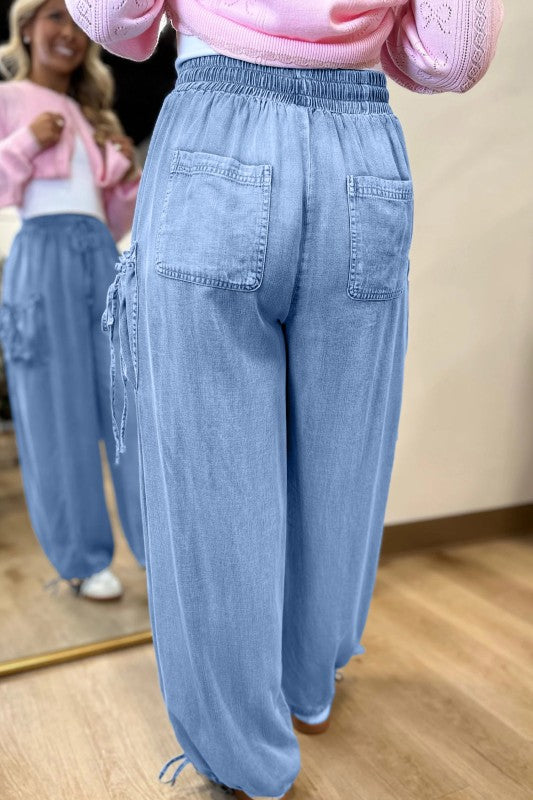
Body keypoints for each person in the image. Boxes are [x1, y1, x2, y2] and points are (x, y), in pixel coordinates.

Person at [66, 0, 505, 796]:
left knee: (210, 478)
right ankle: (308, 684)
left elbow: (110, 18)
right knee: (342, 458)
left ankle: (242, 755)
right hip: (360, 152)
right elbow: (454, 55)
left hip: (214, 132)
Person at [0, 0, 145, 600]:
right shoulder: (8, 100)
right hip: (42, 257)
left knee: (131, 406)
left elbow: (112, 221)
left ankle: (158, 549)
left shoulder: (93, 115)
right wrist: (24, 143)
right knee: (55, 412)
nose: (68, 32)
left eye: (78, 21)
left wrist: (126, 181)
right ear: (27, 27)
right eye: (54, 16)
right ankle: (82, 561)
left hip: (101, 255)